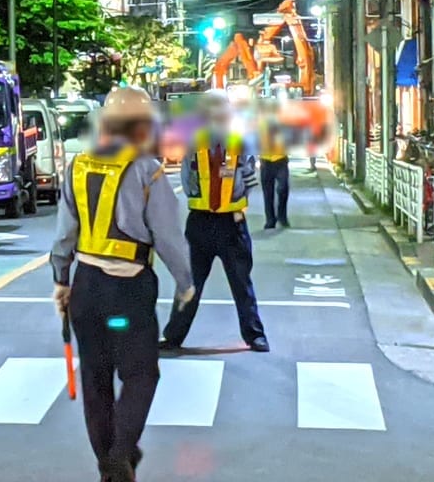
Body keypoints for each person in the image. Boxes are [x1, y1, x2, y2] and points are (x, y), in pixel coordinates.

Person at [52, 86, 195, 482]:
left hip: (86, 286)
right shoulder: (146, 170)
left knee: (96, 379)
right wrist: (185, 282)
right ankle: (119, 455)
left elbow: (65, 234)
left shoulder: (78, 166)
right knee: (140, 374)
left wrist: (61, 280)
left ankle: (108, 466)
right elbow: (167, 235)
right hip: (129, 288)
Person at [160, 90, 269, 352]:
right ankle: (174, 335)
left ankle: (254, 335)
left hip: (231, 222)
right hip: (200, 222)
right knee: (189, 283)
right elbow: (187, 178)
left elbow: (249, 174)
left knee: (241, 282)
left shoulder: (239, 140)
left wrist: (238, 199)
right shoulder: (193, 141)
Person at [257, 100, 291, 229]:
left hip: (281, 159)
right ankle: (270, 219)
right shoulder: (260, 124)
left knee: (283, 188)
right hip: (266, 161)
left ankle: (282, 216)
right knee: (268, 192)